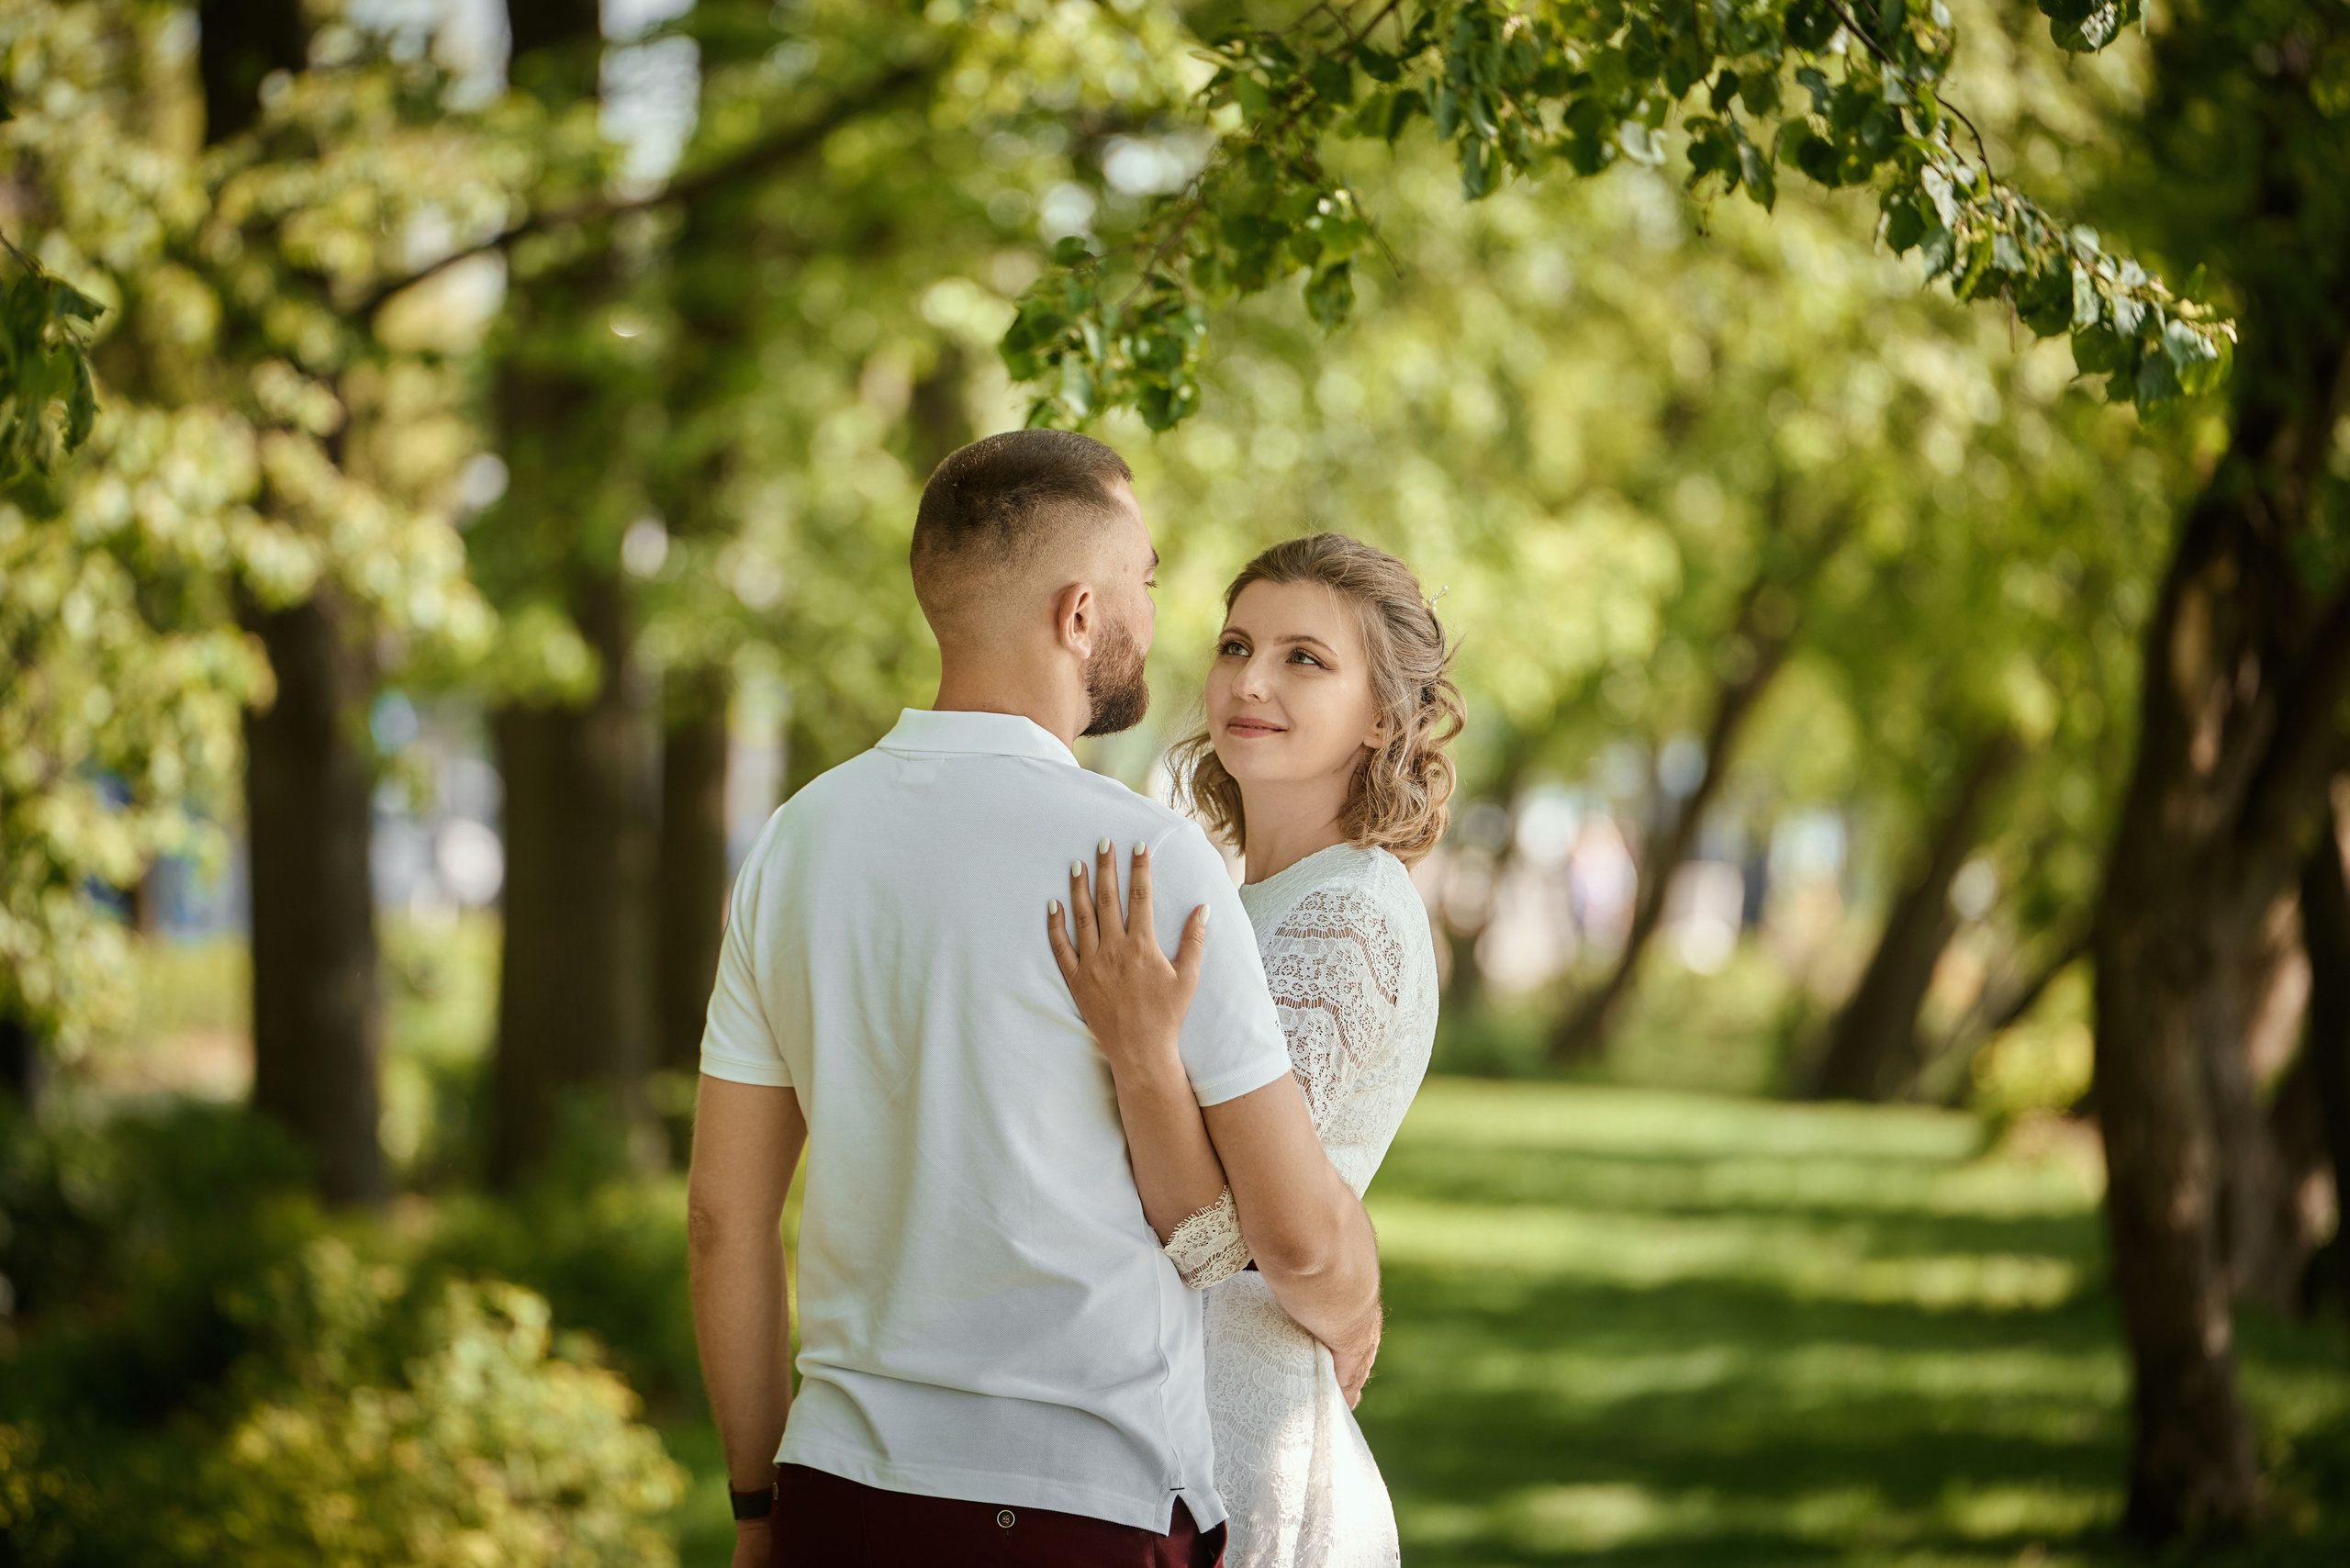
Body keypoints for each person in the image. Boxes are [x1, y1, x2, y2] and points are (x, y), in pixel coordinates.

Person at [686, 430, 1383, 1567]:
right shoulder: (1146, 860)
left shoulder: (796, 841)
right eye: (1145, 584)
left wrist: (758, 1511)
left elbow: (724, 1220)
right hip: (1077, 1509)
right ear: (1077, 615)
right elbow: (1301, 1243)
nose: (1154, 618)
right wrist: (1354, 1310)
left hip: (841, 1493)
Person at [1049, 534, 1459, 1568]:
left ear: (1381, 717)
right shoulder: (1247, 899)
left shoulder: (1347, 913)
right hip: (1162, 1420)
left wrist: (1140, 1049)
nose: (1251, 680)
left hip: (1244, 1443)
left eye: (1304, 658)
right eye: (1236, 645)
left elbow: (1224, 1234)